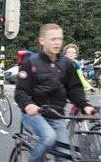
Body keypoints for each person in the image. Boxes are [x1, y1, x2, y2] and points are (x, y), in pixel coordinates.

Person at [15, 23, 95, 162]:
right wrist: (28, 105)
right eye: (53, 39)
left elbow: (74, 89)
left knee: (66, 156)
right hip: (34, 115)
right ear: (42, 40)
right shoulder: (31, 63)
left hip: (57, 116)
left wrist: (85, 105)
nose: (57, 42)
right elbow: (21, 91)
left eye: (60, 38)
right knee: (48, 136)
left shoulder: (66, 64)